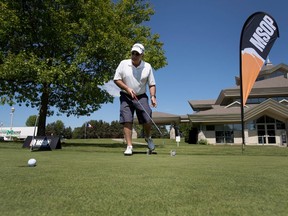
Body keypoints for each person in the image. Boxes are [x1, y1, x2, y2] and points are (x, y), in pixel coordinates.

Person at [114, 43, 157, 155]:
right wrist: (127, 88)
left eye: (137, 53)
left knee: (147, 118)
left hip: (141, 96)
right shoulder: (123, 64)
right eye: (133, 53)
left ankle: (148, 137)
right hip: (126, 95)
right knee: (127, 120)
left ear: (142, 54)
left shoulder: (147, 66)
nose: (134, 55)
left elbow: (152, 84)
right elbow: (117, 79)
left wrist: (153, 96)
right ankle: (129, 146)